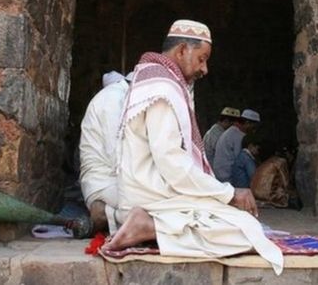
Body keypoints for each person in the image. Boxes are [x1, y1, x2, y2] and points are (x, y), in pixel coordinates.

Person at [101, 19, 283, 274]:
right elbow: (172, 164)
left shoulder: (155, 78)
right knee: (245, 230)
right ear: (182, 50)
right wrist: (228, 193)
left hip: (154, 192)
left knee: (239, 221)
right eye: (201, 58)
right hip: (153, 196)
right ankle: (149, 226)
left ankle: (149, 225)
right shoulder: (161, 87)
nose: (205, 68)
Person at [78, 71, 131, 234]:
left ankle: (112, 216)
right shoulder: (112, 99)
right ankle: (105, 215)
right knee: (162, 206)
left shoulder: (121, 97)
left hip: (114, 177)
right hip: (103, 181)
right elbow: (118, 155)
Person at [212, 109, 261, 183]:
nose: (254, 131)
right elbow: (242, 158)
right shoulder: (237, 135)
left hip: (222, 173)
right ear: (247, 123)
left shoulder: (233, 131)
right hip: (227, 176)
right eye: (253, 127)